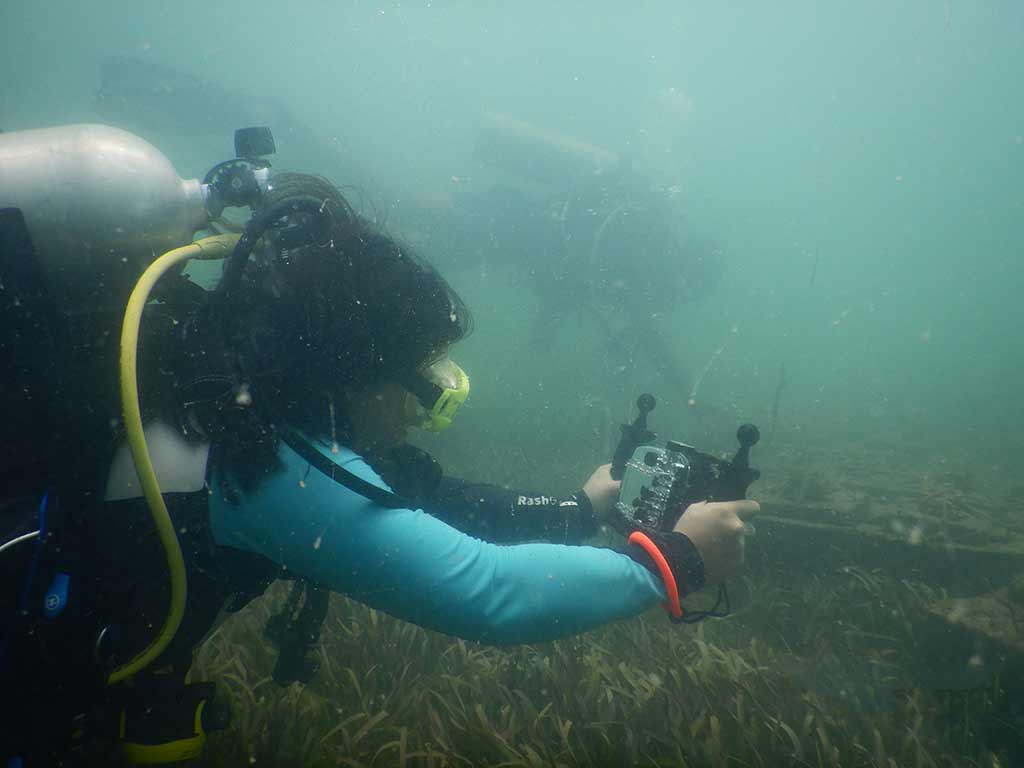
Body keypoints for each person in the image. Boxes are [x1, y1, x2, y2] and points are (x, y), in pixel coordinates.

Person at [2, 172, 756, 766]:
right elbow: (491, 596)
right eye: (424, 374)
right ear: (359, 373)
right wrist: (671, 562)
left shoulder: (236, 396)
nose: (434, 397)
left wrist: (579, 511)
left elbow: (431, 500)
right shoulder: (268, 469)